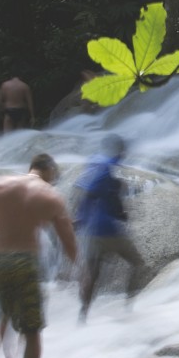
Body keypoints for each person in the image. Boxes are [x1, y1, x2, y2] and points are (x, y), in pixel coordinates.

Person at [0, 153, 78, 358]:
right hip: (25, 261)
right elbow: (68, 242)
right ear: (49, 170)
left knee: (6, 315)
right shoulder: (51, 196)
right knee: (32, 331)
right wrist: (80, 269)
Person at [75, 135, 145, 322]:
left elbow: (100, 192)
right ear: (118, 150)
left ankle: (82, 315)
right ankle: (129, 307)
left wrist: (82, 218)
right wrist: (119, 212)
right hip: (108, 230)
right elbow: (93, 190)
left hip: (92, 230)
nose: (125, 154)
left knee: (93, 273)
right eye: (123, 150)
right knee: (138, 263)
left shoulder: (94, 163)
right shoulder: (110, 165)